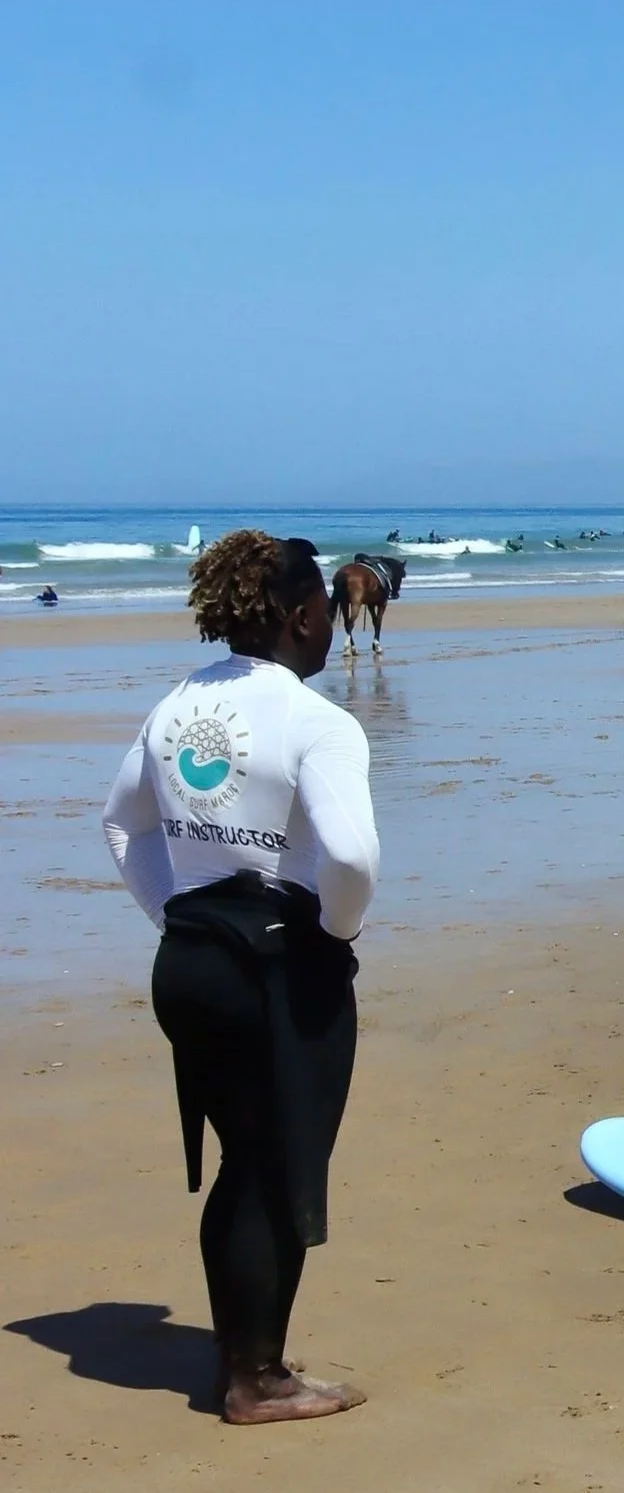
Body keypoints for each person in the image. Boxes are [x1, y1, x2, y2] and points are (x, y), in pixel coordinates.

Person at [99, 532, 380, 1425]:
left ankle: (246, 1358)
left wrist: (176, 915)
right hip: (276, 964)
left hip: (189, 962)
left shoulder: (174, 707)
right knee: (275, 1162)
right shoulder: (315, 720)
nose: (332, 620)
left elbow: (121, 825)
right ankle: (256, 1380)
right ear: (301, 613)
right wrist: (336, 933)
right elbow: (351, 854)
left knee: (244, 1160)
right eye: (326, 607)